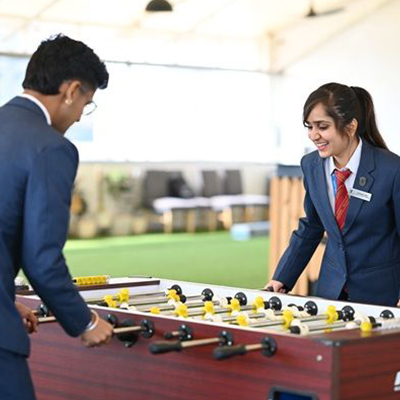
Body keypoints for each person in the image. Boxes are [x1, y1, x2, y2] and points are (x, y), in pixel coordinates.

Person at [0, 34, 114, 400]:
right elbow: (42, 259)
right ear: (71, 90)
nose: (80, 115)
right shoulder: (51, 148)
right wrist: (86, 322)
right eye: (86, 103)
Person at [265, 82, 400, 307]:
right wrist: (282, 278)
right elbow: (311, 227)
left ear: (351, 126)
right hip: (330, 293)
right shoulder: (311, 166)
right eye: (309, 126)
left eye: (322, 126)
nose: (313, 135)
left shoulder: (392, 169)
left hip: (383, 296)